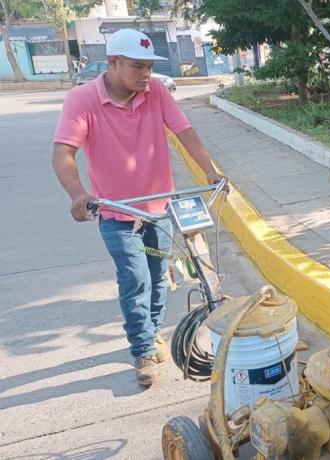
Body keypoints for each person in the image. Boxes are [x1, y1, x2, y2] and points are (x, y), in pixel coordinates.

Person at [51, 29, 223, 387]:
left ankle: (154, 332)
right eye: (138, 67)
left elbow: (185, 131)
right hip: (116, 215)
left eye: (149, 66)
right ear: (113, 63)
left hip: (160, 213)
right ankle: (143, 349)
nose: (147, 74)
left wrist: (211, 169)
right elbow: (63, 153)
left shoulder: (156, 92)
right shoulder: (82, 100)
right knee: (136, 280)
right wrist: (78, 194)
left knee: (160, 278)